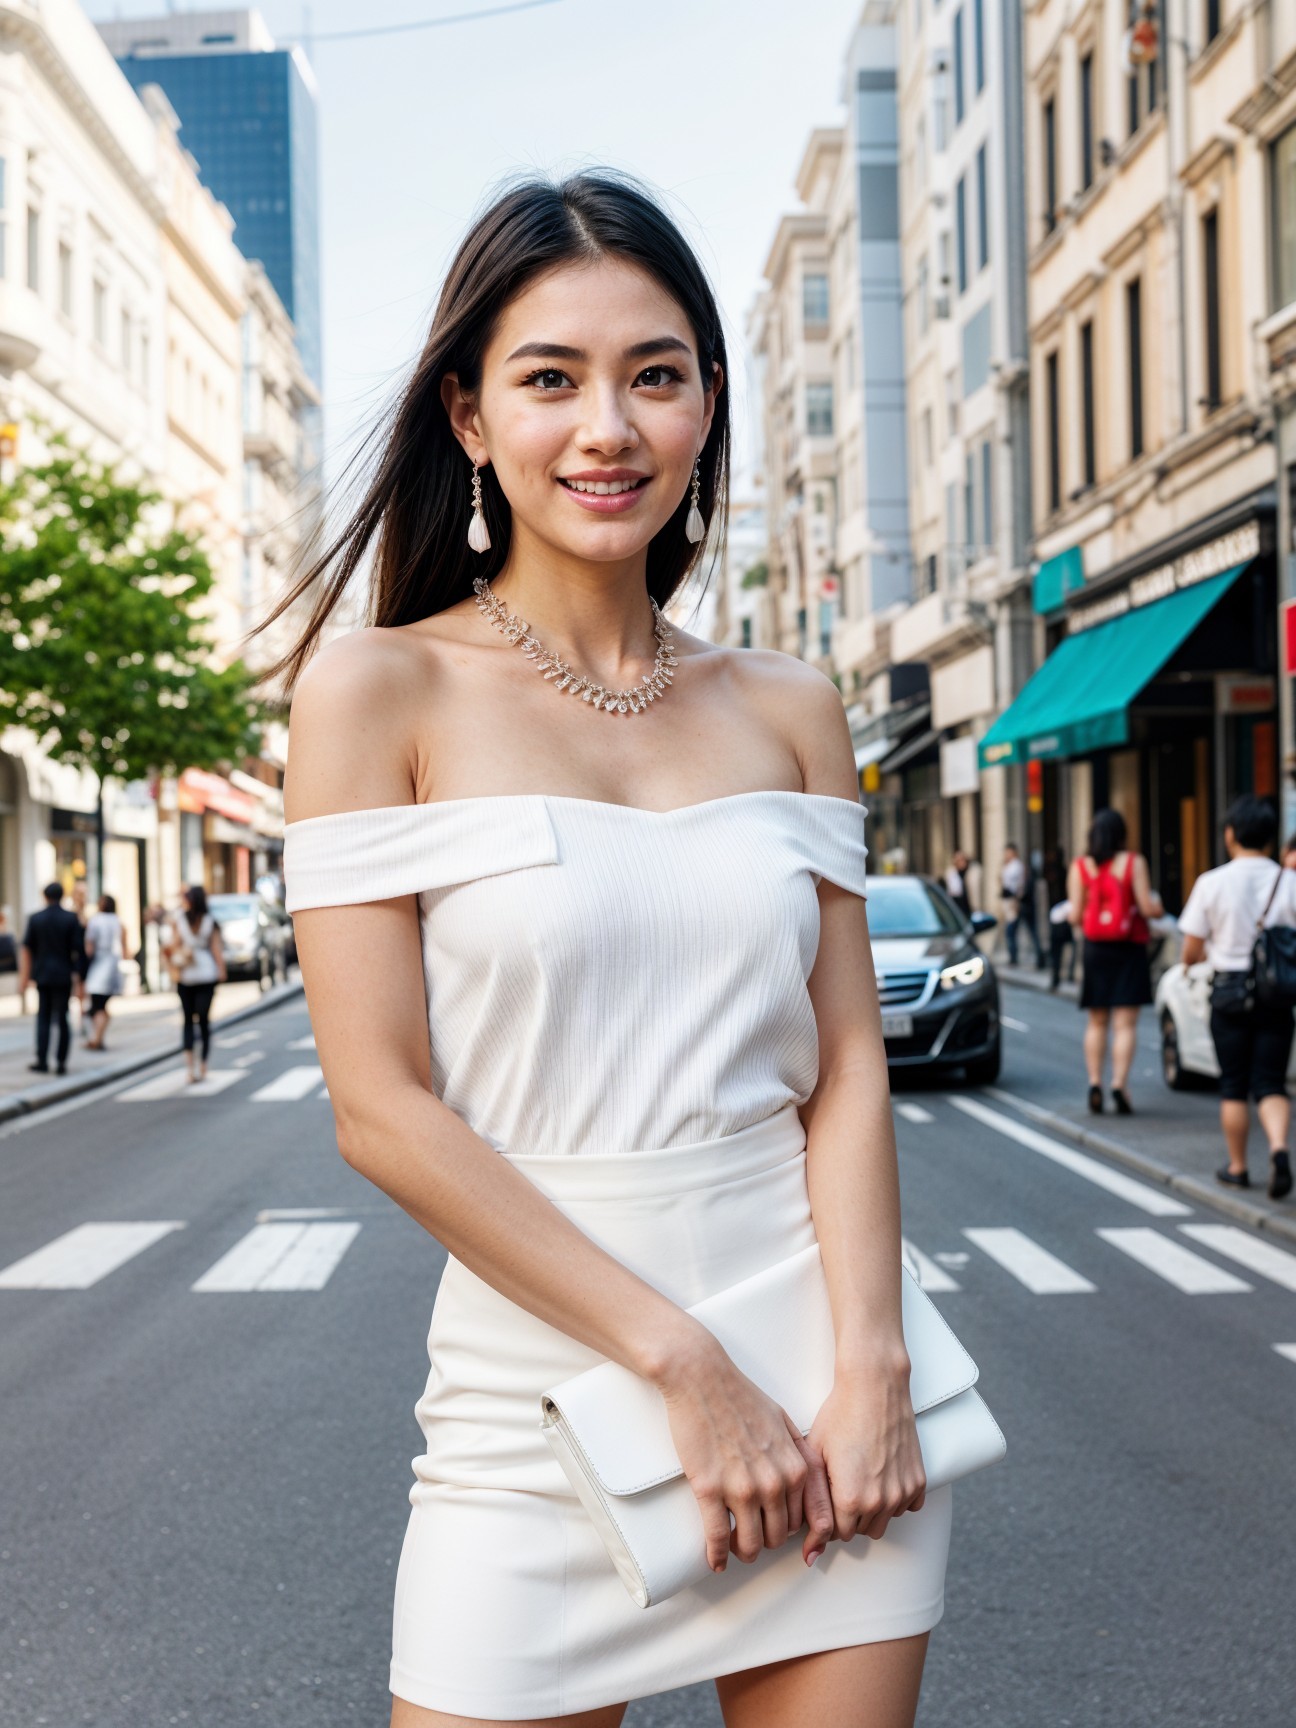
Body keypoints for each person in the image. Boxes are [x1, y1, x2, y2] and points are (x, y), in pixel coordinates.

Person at [277, 173, 949, 1728]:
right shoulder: (375, 695)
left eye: (656, 373)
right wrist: (681, 1367)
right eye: (550, 378)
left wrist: (876, 1367)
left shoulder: (792, 706)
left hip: (825, 1385)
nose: (609, 427)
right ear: (465, 416)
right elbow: (381, 1107)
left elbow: (848, 1070)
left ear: (710, 402)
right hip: (542, 1403)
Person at [1178, 795, 1296, 1199]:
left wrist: (1199, 959)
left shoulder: (1211, 883)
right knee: (1270, 1082)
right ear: (1269, 837)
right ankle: (1279, 1149)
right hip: (1277, 995)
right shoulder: (1290, 882)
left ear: (1230, 835)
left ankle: (1238, 1166)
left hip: (1228, 992)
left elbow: (1191, 950)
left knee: (1234, 1084)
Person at [1068, 809, 1163, 1115]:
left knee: (1096, 1021)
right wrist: (1158, 909)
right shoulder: (1134, 863)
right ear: (1122, 834)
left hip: (1095, 949)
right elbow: (1147, 908)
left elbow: (1074, 915)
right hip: (1128, 948)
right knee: (1125, 1024)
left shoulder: (1080, 867)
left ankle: (1095, 1081)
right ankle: (1119, 1084)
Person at [18, 882, 85, 1075]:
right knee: (62, 1017)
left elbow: (27, 949)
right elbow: (79, 951)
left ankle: (42, 1059)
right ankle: (61, 1061)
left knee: (43, 1017)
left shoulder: (36, 918)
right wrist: (80, 976)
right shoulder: (71, 919)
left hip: (43, 974)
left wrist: (25, 977)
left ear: (45, 896)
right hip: (63, 974)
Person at [163, 886, 226, 1083]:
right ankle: (203, 1065)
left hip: (186, 975)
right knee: (204, 1021)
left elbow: (172, 945)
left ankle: (190, 1069)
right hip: (206, 974)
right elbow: (216, 949)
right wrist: (221, 970)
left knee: (188, 1021)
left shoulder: (179, 921)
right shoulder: (209, 922)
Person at [82, 893, 124, 1051]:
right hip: (113, 966)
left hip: (100, 967)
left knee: (97, 1006)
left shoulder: (96, 921)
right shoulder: (117, 921)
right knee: (102, 1005)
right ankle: (98, 1037)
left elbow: (89, 946)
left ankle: (97, 1039)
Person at [1001, 841, 1043, 967]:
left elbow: (1016, 887)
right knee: (1022, 931)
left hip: (1019, 903)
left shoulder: (1016, 867)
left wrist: (1016, 901)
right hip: (1018, 903)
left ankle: (1020, 957)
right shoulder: (1010, 866)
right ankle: (1018, 957)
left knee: (1014, 931)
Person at [944, 849, 972, 917]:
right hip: (957, 904)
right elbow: (954, 891)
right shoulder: (951, 873)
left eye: (963, 860)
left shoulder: (970, 872)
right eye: (959, 860)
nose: (962, 863)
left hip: (968, 905)